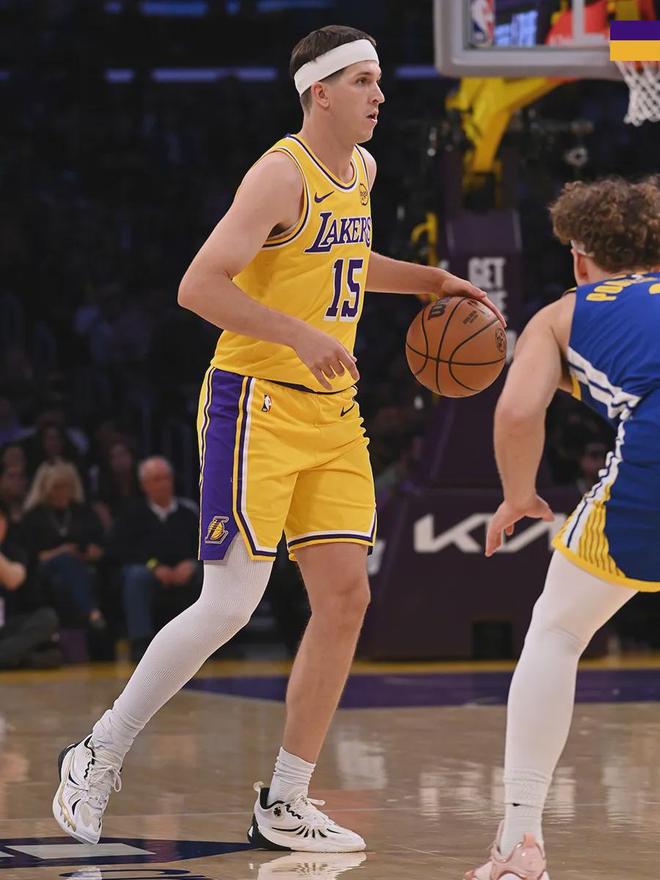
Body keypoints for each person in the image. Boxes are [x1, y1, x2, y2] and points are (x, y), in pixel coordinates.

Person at [53, 24, 502, 851]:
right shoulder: (278, 174)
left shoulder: (362, 170)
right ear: (319, 92)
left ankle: (285, 801)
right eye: (363, 81)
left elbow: (348, 261)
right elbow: (198, 286)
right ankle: (97, 752)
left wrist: (430, 280)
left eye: (379, 80)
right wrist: (297, 335)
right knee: (229, 603)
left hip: (331, 413)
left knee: (346, 600)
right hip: (254, 402)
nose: (380, 95)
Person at [465, 176, 660, 880]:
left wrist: (518, 495)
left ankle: (519, 844)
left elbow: (518, 413)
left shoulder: (560, 316)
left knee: (558, 631)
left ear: (579, 258)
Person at [111, 456, 201, 661]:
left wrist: (192, 563)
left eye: (166, 478)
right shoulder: (132, 514)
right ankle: (140, 641)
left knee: (209, 574)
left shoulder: (188, 512)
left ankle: (211, 641)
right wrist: (154, 566)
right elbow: (123, 550)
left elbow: (201, 545)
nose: (163, 484)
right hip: (149, 569)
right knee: (136, 576)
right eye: (157, 479)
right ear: (144, 485)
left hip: (185, 567)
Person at [22, 460, 106, 631]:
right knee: (66, 561)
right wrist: (63, 551)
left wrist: (92, 552)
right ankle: (92, 611)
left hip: (81, 568)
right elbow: (35, 557)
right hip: (44, 571)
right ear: (45, 489)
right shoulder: (34, 517)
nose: (62, 492)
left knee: (63, 582)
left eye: (67, 487)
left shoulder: (83, 512)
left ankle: (83, 628)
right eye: (57, 487)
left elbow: (100, 546)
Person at [0, 501, 60, 670]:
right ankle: (15, 658)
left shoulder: (13, 550)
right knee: (49, 657)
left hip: (6, 630)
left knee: (47, 618)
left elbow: (14, 580)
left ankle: (10, 657)